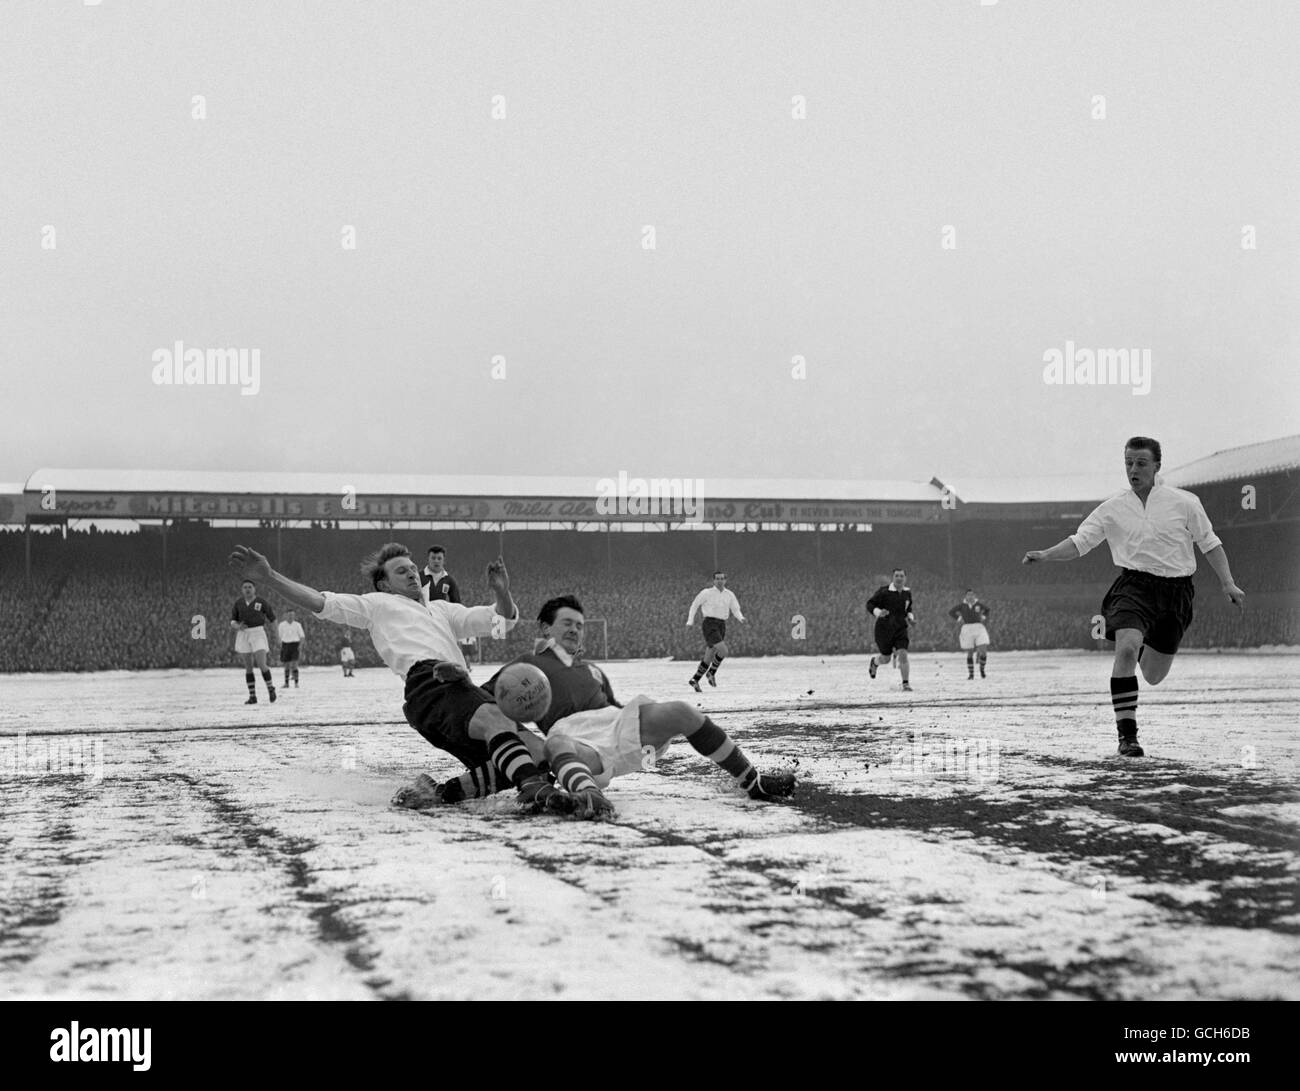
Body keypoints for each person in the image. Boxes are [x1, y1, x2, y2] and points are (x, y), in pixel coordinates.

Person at [228, 542, 562, 811]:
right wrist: (269, 576)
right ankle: (533, 788)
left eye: (413, 569)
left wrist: (502, 591)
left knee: (537, 752)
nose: (413, 575)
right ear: (385, 583)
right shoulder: (377, 604)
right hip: (429, 685)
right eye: (401, 571)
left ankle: (437, 794)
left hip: (461, 689)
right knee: (496, 722)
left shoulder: (442, 609)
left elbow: (501, 621)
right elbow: (320, 602)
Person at [419, 595, 795, 819]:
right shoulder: (523, 667)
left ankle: (753, 782)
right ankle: (591, 798)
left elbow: (615, 708)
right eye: (566, 624)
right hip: (573, 738)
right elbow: (490, 705)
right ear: (546, 629)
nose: (575, 631)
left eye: (579, 625)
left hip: (617, 724)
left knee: (682, 710)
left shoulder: (594, 670)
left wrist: (644, 742)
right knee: (555, 746)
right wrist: (461, 681)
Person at [1022, 436, 1245, 757]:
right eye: (1128, 463)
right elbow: (1080, 541)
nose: (1133, 469)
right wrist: (1045, 554)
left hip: (1176, 592)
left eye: (1141, 463)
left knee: (1153, 675)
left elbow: (1210, 543)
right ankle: (1127, 737)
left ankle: (1144, 643)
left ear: (1157, 466)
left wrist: (1228, 583)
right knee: (1126, 649)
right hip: (1134, 588)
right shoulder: (1113, 508)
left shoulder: (1184, 502)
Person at [685, 571, 745, 691]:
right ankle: (711, 672)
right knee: (723, 650)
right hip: (710, 624)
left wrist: (741, 617)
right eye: (717, 578)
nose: (720, 580)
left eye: (722, 578)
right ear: (713, 580)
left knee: (709, 654)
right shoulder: (706, 593)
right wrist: (690, 621)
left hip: (722, 624)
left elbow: (735, 608)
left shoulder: (729, 594)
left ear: (725, 580)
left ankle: (695, 679)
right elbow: (694, 605)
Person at [866, 568, 915, 691]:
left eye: (901, 576)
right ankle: (875, 662)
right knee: (886, 658)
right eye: (896, 576)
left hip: (900, 628)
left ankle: (905, 683)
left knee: (903, 654)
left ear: (905, 578)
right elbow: (870, 604)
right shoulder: (884, 592)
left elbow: (908, 609)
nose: (899, 578)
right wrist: (878, 612)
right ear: (893, 578)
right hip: (884, 629)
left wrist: (910, 618)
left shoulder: (907, 593)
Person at [231, 579, 277, 704]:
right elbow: (233, 621)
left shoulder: (261, 602)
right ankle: (252, 696)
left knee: (262, 664)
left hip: (258, 633)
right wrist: (237, 626)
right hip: (244, 633)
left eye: (250, 587)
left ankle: (270, 689)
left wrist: (276, 635)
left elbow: (272, 619)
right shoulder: (238, 603)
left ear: (254, 589)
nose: (247, 589)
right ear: (242, 589)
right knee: (248, 667)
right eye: (245, 587)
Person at [947, 590, 990, 679]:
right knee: (970, 652)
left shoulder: (978, 605)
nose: (970, 596)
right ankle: (971, 674)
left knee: (983, 650)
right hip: (967, 628)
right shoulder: (962, 606)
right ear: (965, 596)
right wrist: (958, 618)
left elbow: (987, 609)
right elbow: (951, 612)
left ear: (974, 596)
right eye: (968, 595)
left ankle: (982, 670)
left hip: (978, 627)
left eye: (972, 595)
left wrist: (984, 616)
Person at [278, 609, 305, 688]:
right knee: (286, 665)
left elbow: (302, 636)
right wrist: (280, 645)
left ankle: (296, 683)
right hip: (285, 645)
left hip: (295, 645)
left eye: (292, 615)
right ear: (285, 615)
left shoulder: (297, 625)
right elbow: (279, 637)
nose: (291, 617)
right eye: (289, 615)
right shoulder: (281, 625)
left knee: (295, 664)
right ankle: (286, 683)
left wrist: (300, 646)